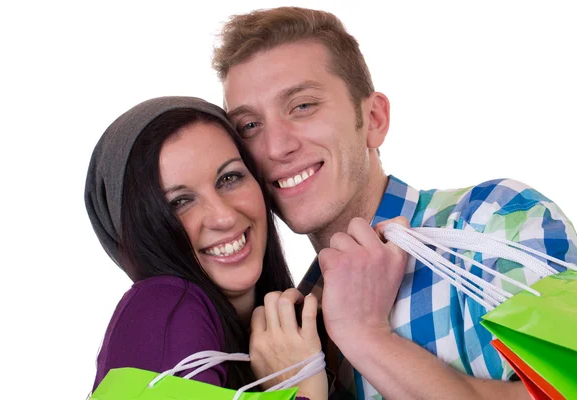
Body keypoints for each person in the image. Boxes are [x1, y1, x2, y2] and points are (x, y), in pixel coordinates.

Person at [212, 7, 577, 399]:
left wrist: (364, 334)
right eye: (250, 126)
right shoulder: (291, 328)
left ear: (373, 119)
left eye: (302, 106)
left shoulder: (495, 219)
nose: (276, 147)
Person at [84, 96, 328, 399]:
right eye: (180, 202)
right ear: (140, 233)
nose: (224, 217)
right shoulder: (163, 306)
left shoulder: (279, 331)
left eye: (229, 178)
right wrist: (303, 384)